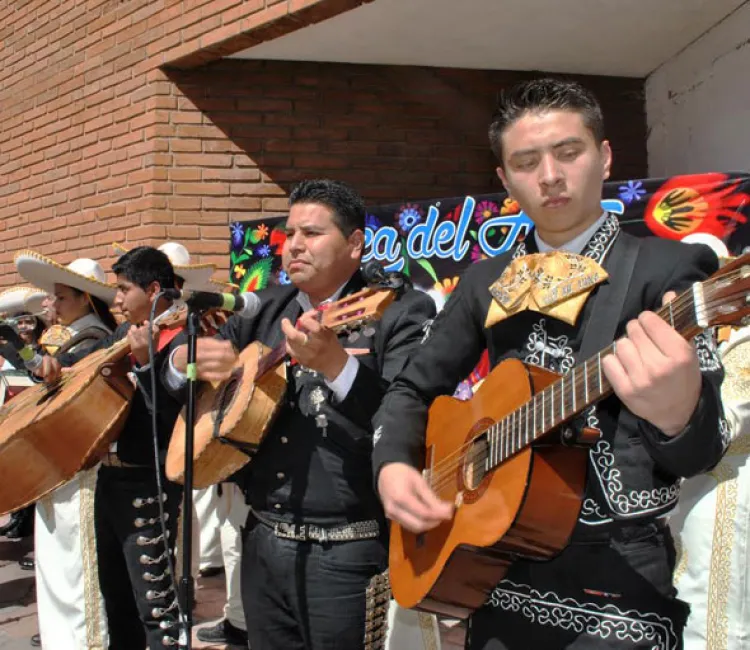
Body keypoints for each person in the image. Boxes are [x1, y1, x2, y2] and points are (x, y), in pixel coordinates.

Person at [373, 78, 728, 649]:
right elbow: (410, 388)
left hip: (621, 588)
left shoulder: (668, 270)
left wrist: (680, 413)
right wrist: (392, 463)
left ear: (605, 156)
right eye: (527, 161)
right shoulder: (486, 279)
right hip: (496, 574)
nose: (550, 176)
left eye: (569, 152)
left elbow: (705, 449)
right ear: (505, 181)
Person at [164, 179, 436, 650]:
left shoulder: (398, 310)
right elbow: (183, 381)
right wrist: (178, 361)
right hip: (263, 539)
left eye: (311, 234)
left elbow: (409, 414)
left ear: (354, 243)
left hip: (348, 549)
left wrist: (337, 365)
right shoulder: (263, 309)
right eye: (290, 234)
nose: (294, 246)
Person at [35, 246, 185, 649]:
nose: (116, 300)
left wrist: (144, 361)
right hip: (111, 478)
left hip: (149, 484)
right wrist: (56, 374)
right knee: (116, 598)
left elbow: (173, 417)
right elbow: (89, 378)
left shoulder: (182, 338)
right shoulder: (123, 332)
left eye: (124, 289)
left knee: (155, 606)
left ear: (154, 290)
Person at [14, 253, 119, 650]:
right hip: (59, 456)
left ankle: (81, 640)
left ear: (85, 300)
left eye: (61, 297)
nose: (51, 305)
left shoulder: (92, 338)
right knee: (57, 557)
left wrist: (22, 353)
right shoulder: (78, 333)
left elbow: (53, 377)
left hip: (77, 460)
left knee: (75, 561)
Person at [668, 235, 750, 649]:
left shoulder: (743, 344)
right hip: (689, 493)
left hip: (729, 493)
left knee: (715, 606)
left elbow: (729, 418)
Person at [0, 286, 48, 542]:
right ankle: (19, 517)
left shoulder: (44, 347)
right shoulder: (7, 349)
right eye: (21, 322)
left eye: (30, 321)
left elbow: (38, 371)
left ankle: (25, 519)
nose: (26, 327)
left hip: (32, 413)